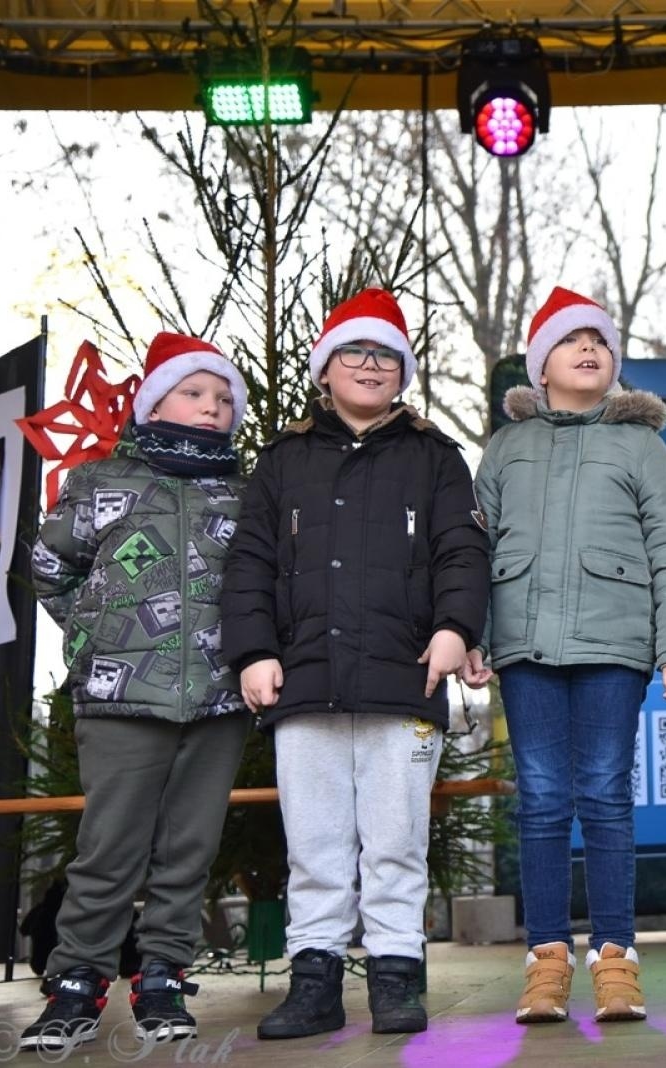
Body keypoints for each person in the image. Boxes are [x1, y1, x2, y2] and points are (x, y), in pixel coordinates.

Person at [221, 288, 489, 1039]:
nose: (370, 365)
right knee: (315, 845)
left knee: (398, 840)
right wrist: (253, 651)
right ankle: (314, 982)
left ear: (401, 372)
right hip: (303, 687)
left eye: (385, 355)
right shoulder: (282, 461)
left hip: (408, 683)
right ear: (325, 367)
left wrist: (455, 628)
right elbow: (249, 562)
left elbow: (462, 552)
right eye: (355, 352)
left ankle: (398, 976)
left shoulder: (436, 458)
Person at [473, 286, 666, 1026]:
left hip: (615, 644)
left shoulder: (639, 444)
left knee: (605, 795)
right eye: (572, 341)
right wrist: (475, 634)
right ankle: (546, 957)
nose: (588, 350)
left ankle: (615, 958)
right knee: (541, 799)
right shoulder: (506, 448)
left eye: (600, 342)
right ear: (541, 366)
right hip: (524, 646)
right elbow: (472, 550)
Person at [20, 332, 251, 1053]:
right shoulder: (98, 482)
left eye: (222, 398)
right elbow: (49, 565)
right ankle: (76, 982)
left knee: (189, 846)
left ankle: (162, 975)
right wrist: (94, 639)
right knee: (109, 847)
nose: (210, 407)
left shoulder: (243, 494)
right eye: (194, 392)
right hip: (122, 700)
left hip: (217, 701)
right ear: (155, 400)